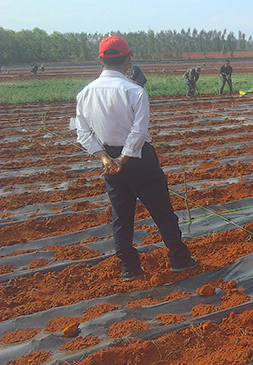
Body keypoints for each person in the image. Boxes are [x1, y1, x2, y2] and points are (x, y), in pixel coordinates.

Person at [76, 35, 197, 281]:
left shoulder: (85, 93)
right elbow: (138, 132)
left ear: (101, 60)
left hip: (109, 160)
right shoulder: (134, 91)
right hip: (138, 159)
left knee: (121, 215)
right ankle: (179, 259)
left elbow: (83, 133)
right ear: (128, 58)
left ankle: (129, 268)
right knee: (162, 210)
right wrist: (124, 158)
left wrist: (105, 158)